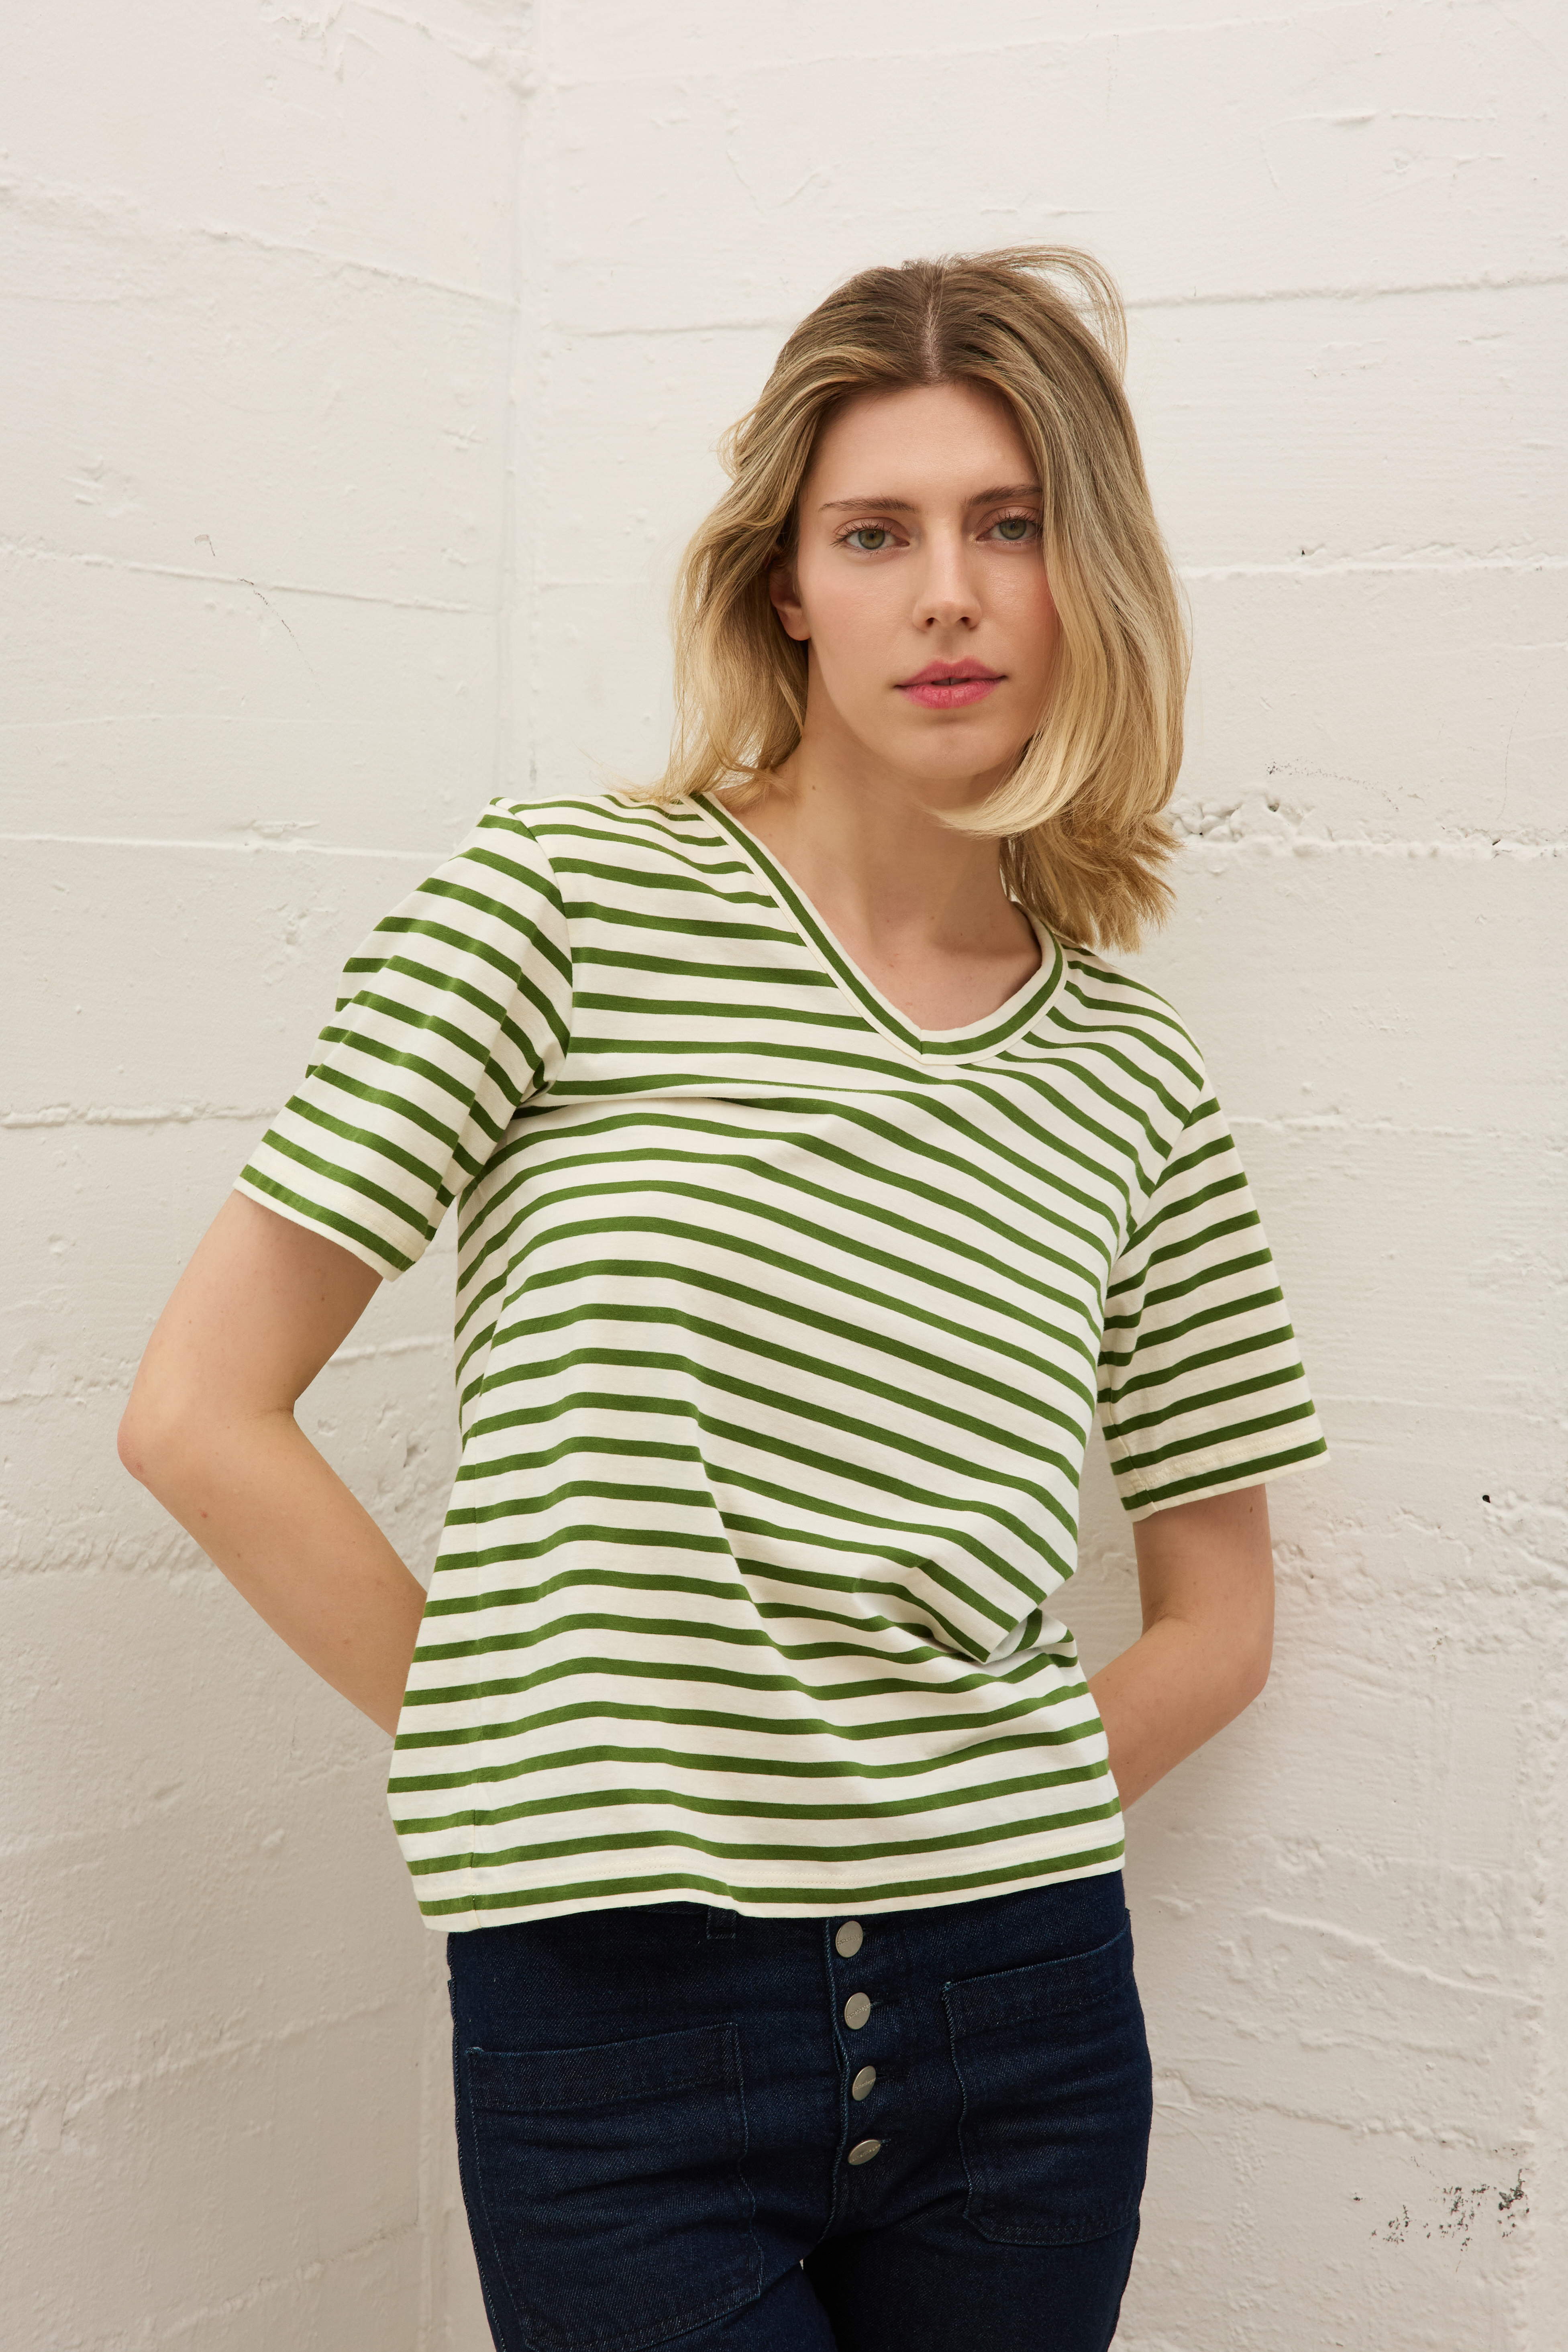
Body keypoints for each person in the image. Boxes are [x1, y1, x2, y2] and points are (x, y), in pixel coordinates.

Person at [119, 245, 1327, 2352]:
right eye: (875, 533)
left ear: (1089, 581)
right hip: (617, 2018)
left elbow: (1218, 1614)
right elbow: (199, 1414)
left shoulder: (1133, 1076)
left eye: (1009, 524)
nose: (945, 594)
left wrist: (957, 1801)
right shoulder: (557, 903)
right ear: (784, 584)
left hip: (1020, 2020)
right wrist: (543, 1750)